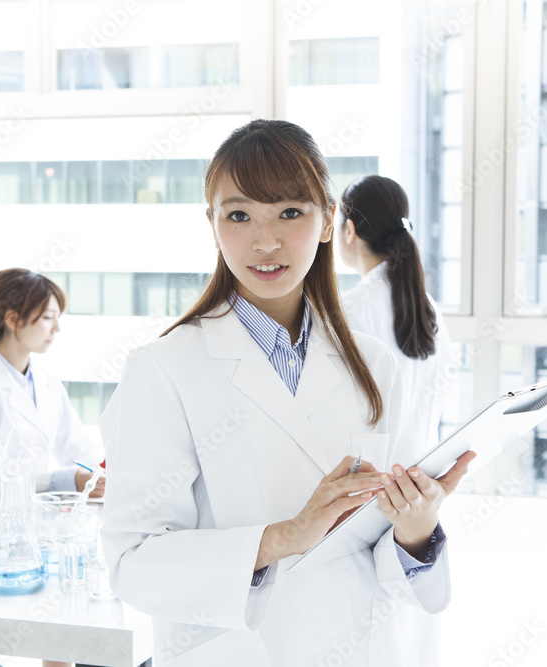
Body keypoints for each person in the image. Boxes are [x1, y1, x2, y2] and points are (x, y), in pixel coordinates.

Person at [100, 120, 474, 666]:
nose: (265, 241)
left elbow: (388, 563)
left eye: (290, 213)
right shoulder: (162, 369)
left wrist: (416, 530)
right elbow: (132, 562)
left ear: (328, 221)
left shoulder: (373, 365)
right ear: (213, 225)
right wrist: (283, 537)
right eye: (239, 215)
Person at [0, 268, 105, 496]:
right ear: (13, 320)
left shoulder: (47, 383)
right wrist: (67, 480)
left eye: (57, 318)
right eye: (47, 317)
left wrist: (104, 470)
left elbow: (77, 447)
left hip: (30, 511)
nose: (57, 328)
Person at [337, 175, 455, 454]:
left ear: (349, 230)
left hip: (370, 477)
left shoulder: (349, 311)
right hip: (422, 473)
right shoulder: (428, 308)